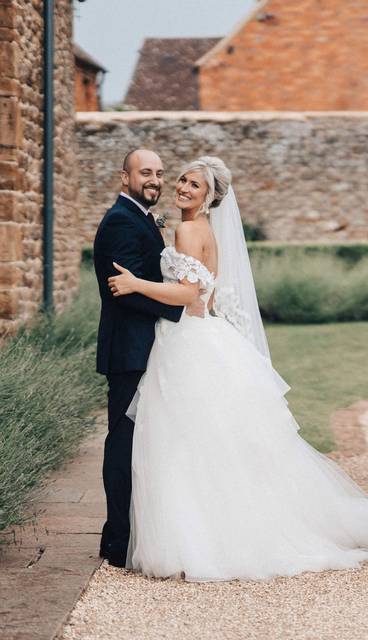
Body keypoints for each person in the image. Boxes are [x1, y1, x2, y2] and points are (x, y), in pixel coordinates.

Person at [106, 156, 368, 581]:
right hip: (197, 336)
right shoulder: (198, 229)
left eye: (195, 186)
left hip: (187, 341)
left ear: (209, 198)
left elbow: (189, 294)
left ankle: (200, 539)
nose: (184, 188)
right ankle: (213, 529)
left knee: (184, 441)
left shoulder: (189, 229)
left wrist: (136, 283)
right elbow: (205, 292)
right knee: (205, 441)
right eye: (183, 180)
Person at [92, 149, 204, 568]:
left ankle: (136, 530)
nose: (155, 179)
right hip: (130, 351)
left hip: (149, 348)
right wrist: (181, 308)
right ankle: (117, 541)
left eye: (159, 172)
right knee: (121, 444)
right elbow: (121, 292)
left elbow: (143, 282)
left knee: (146, 442)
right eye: (146, 173)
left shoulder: (141, 216)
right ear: (125, 177)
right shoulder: (121, 220)